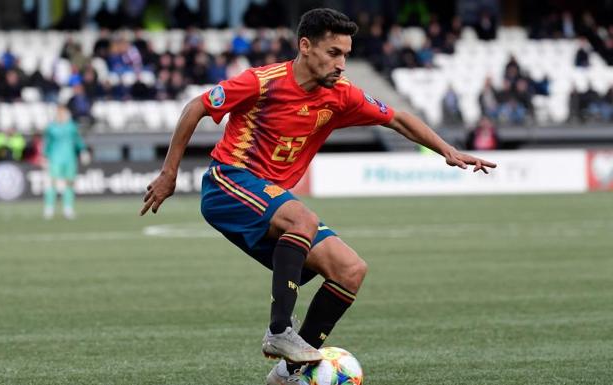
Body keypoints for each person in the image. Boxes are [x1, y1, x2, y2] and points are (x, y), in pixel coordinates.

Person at [140, 8, 496, 385]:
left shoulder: (340, 95)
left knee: (350, 269)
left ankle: (287, 374)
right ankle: (280, 332)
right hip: (229, 183)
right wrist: (169, 172)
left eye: (346, 54)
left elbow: (397, 118)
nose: (342, 64)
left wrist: (447, 150)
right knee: (302, 220)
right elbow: (196, 106)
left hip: (272, 199)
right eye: (333, 53)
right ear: (305, 46)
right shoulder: (263, 82)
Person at [43, 104, 87, 220]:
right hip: (55, 158)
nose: (61, 115)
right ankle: (49, 208)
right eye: (59, 113)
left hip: (69, 159)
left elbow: (78, 140)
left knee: (69, 183)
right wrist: (44, 156)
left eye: (63, 113)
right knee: (52, 182)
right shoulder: (51, 128)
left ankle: (68, 208)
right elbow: (47, 143)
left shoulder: (71, 127)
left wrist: (83, 151)